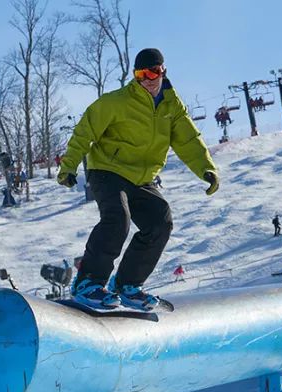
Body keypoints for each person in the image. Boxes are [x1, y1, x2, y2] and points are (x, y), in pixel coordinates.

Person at [56, 48, 219, 310]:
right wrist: (69, 166)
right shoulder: (117, 102)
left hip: (142, 178)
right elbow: (84, 130)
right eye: (140, 74)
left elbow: (189, 140)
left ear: (163, 71)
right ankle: (88, 282)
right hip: (108, 170)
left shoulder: (172, 107)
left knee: (160, 220)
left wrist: (206, 169)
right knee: (118, 218)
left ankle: (127, 284)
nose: (147, 79)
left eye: (152, 72)